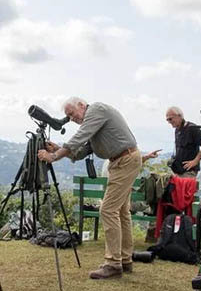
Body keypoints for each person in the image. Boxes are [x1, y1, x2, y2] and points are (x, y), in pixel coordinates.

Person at [38, 97, 141, 279]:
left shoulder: (96, 110)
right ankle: (125, 260)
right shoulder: (94, 120)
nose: (71, 118)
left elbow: (79, 138)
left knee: (108, 209)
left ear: (82, 105)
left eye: (71, 113)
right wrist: (59, 149)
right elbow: (81, 151)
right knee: (122, 211)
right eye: (68, 116)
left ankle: (113, 264)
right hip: (123, 160)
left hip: (124, 160)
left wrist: (54, 156)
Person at [165, 106, 201, 177]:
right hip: (179, 171)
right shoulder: (178, 129)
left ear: (179, 116)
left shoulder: (192, 128)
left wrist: (196, 161)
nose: (169, 122)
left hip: (189, 172)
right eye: (167, 120)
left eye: (170, 119)